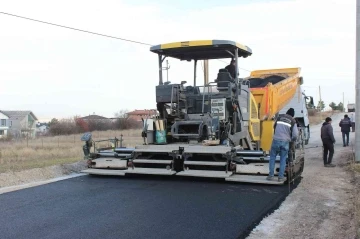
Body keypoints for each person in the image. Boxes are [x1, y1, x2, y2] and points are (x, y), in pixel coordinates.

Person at [267, 108, 298, 182]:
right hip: (285, 142)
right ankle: (280, 177)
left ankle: (271, 176)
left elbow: (274, 127)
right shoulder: (293, 121)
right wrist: (292, 140)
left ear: (287, 112)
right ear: (293, 115)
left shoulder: (279, 117)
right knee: (283, 159)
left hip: (275, 140)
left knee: (272, 158)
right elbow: (295, 135)